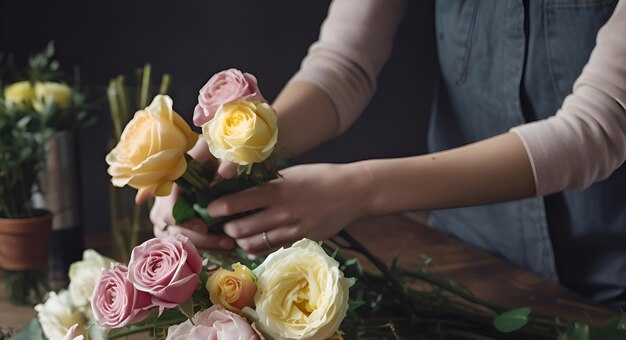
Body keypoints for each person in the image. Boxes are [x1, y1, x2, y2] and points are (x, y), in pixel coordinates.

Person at [151, 0, 626, 307]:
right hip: (472, 271)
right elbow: (344, 64)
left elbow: (596, 129)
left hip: (613, 279)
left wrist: (356, 189)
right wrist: (236, 151)